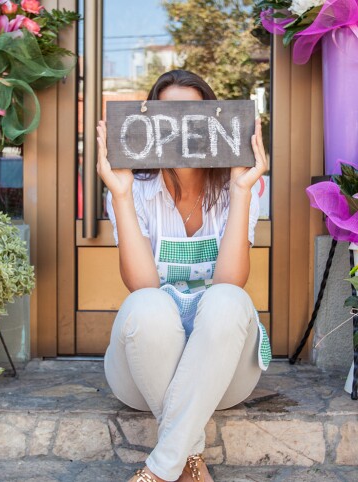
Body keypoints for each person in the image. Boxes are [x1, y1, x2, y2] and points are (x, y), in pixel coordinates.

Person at [97, 70, 271, 482]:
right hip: (141, 377)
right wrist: (120, 194)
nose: (179, 127)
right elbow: (141, 288)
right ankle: (188, 458)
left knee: (227, 299)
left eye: (192, 114)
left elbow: (231, 281)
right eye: (166, 115)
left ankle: (161, 468)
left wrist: (242, 190)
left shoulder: (240, 188)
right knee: (147, 304)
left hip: (223, 376)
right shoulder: (132, 189)